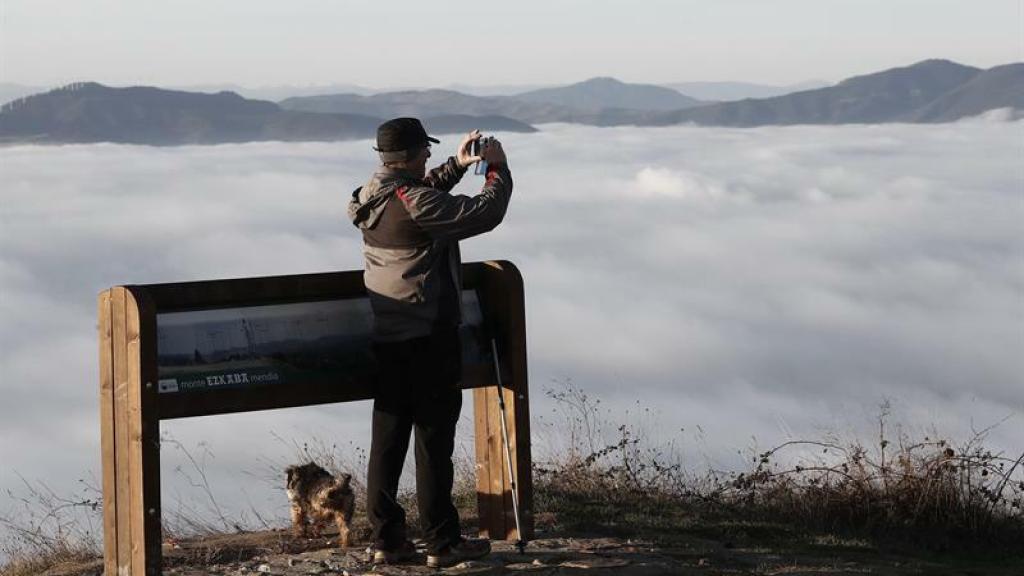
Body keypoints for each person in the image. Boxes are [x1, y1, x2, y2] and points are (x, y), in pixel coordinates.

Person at [347, 117, 512, 567]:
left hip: (389, 333)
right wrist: (496, 168)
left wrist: (456, 166)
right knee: (433, 442)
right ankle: (442, 541)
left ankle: (388, 538)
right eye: (426, 153)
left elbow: (416, 194)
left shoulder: (370, 194)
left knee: (388, 439)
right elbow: (484, 213)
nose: (428, 159)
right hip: (428, 335)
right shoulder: (413, 200)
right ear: (412, 156)